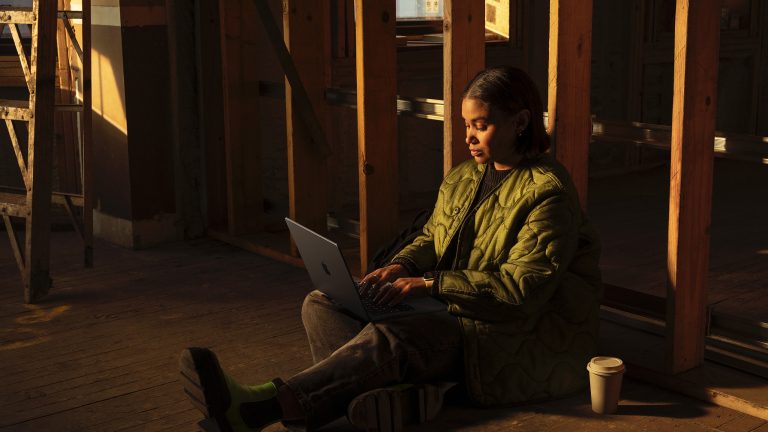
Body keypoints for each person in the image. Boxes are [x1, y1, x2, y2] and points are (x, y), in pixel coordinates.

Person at [179, 66, 602, 432]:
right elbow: (433, 237)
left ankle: (261, 408)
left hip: (503, 334)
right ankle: (398, 395)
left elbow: (519, 293)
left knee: (395, 337)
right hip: (451, 309)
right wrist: (401, 266)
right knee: (322, 303)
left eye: (482, 125)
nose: (468, 137)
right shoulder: (464, 176)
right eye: (466, 124)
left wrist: (429, 285)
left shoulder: (548, 193)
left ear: (521, 122)